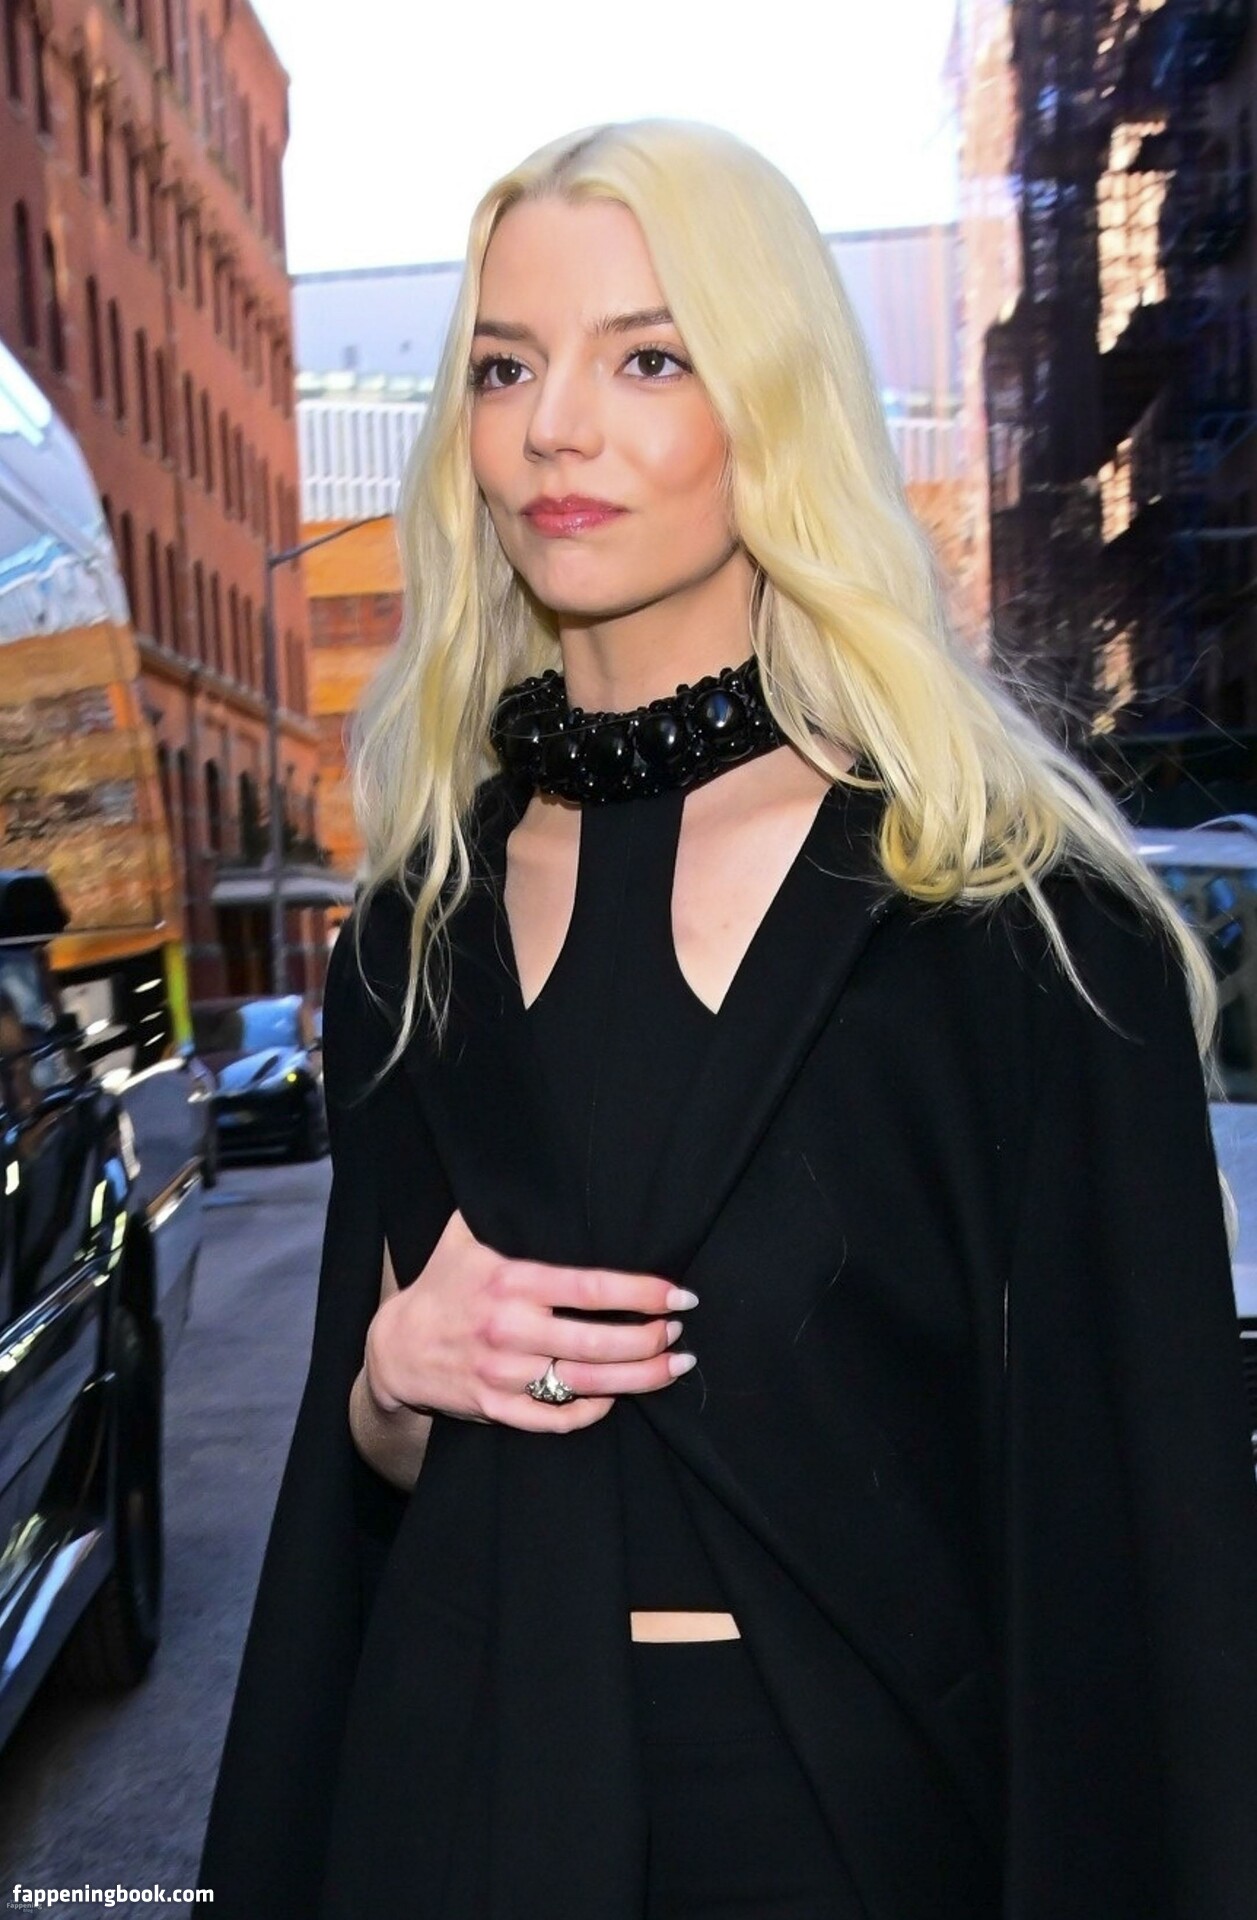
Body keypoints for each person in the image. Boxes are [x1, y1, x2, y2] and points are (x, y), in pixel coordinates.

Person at [197, 119, 1257, 1920]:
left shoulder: (1001, 918)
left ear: (771, 406)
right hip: (461, 1803)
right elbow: (366, 1480)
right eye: (504, 368)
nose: (555, 427)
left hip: (853, 1830)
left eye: (648, 359)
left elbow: (1143, 1545)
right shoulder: (410, 938)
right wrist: (391, 1381)